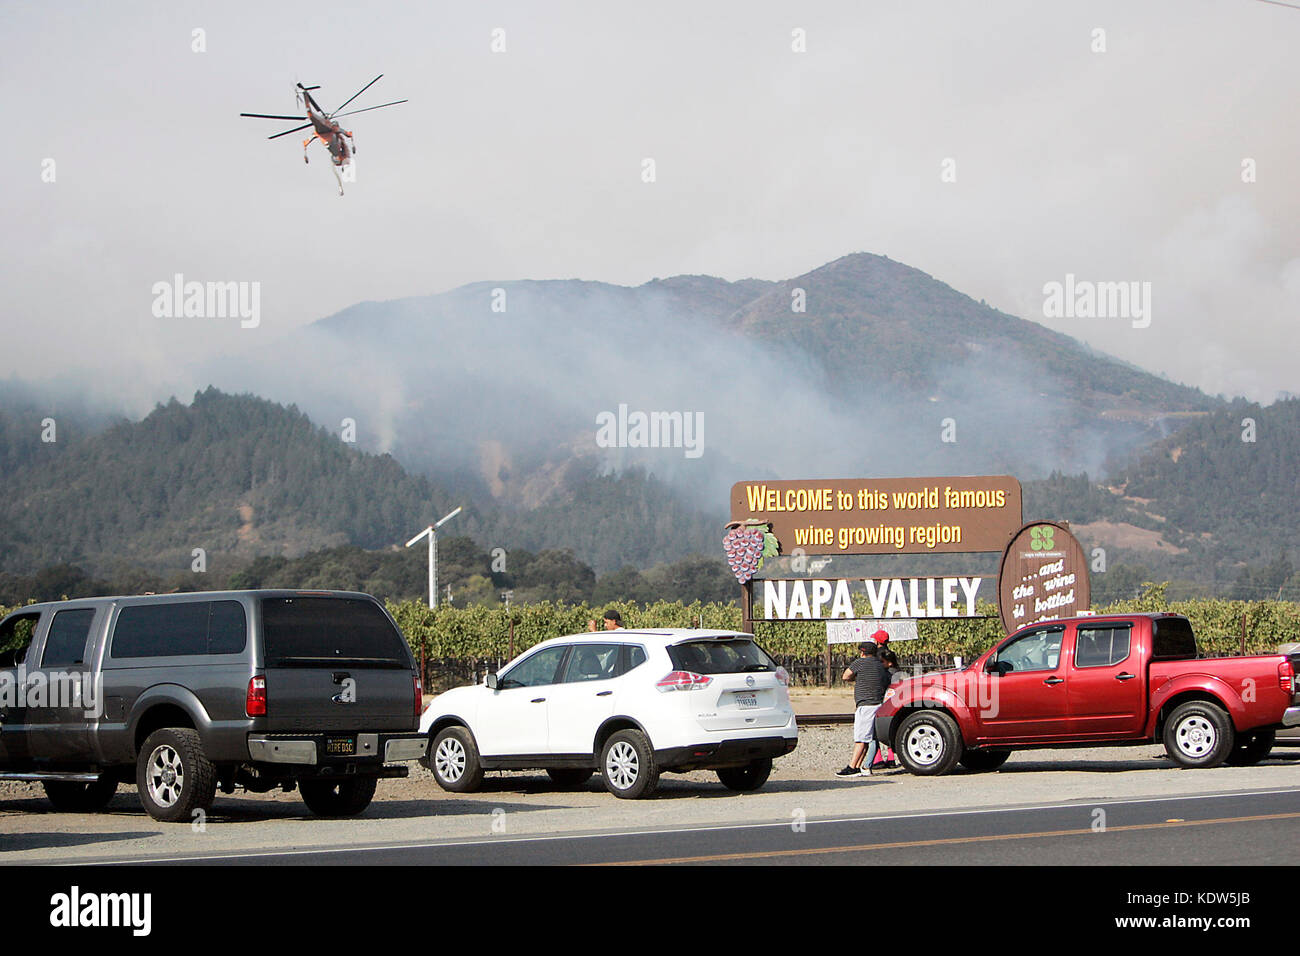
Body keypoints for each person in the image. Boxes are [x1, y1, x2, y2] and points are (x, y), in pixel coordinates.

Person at [835, 640, 890, 777]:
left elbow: (846, 676)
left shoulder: (860, 662)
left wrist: (857, 678)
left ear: (863, 652)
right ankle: (859, 766)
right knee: (868, 738)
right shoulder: (880, 665)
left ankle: (852, 767)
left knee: (860, 739)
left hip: (865, 705)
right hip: (878, 704)